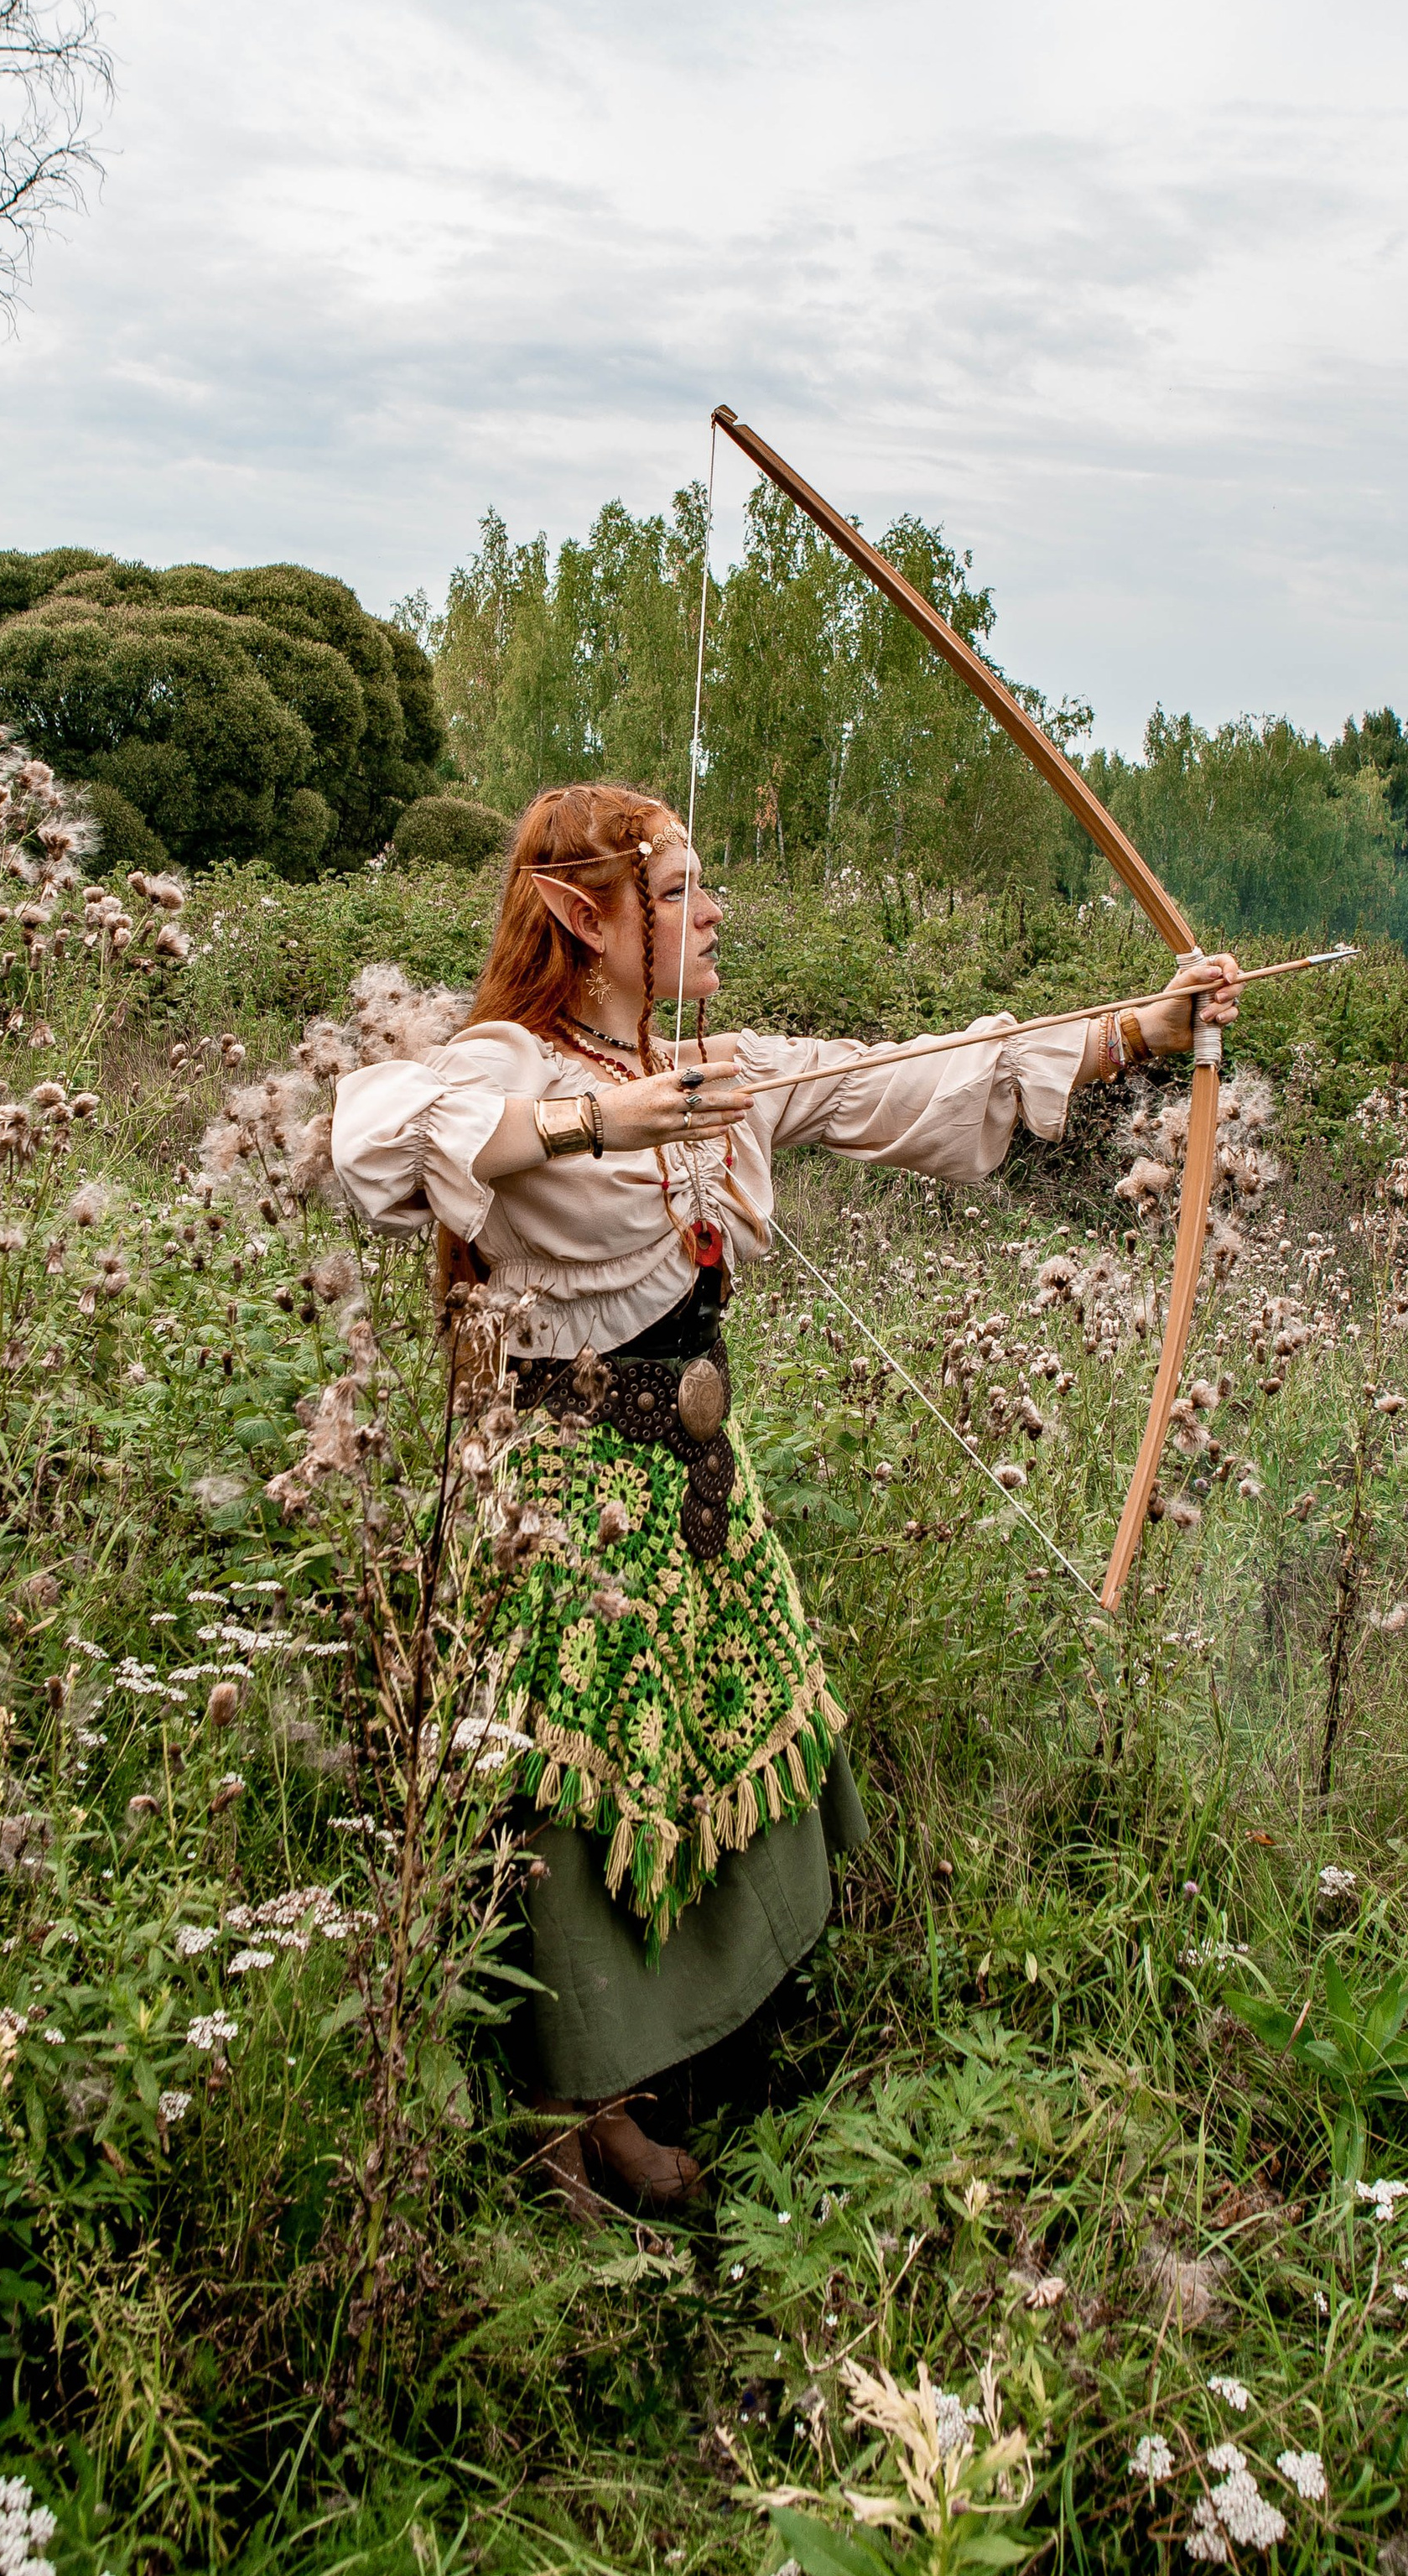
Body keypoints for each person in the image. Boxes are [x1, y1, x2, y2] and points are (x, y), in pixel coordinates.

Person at [329, 780, 1241, 2218]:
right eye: (678, 891)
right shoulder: (509, 1060)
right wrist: (600, 1119)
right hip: (562, 1491)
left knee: (701, 1749)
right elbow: (378, 1139)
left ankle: (643, 2081)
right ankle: (558, 2125)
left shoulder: (717, 1066)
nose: (711, 913)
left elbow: (912, 1074)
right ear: (585, 916)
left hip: (693, 1476)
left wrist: (1144, 1028)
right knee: (570, 1794)